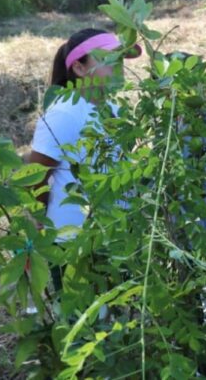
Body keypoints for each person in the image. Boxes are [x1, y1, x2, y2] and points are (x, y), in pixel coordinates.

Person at [28, 28, 140, 241]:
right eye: (108, 60)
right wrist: (38, 216)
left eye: (120, 61)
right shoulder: (64, 114)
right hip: (73, 240)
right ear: (79, 68)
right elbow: (37, 176)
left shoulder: (115, 110)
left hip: (113, 234)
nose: (118, 68)